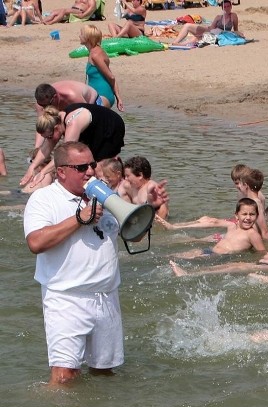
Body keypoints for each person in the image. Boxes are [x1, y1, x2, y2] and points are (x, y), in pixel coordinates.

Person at [21, 142, 165, 386]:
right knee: (65, 377)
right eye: (81, 167)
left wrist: (149, 209)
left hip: (106, 297)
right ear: (62, 171)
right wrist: (80, 218)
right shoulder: (44, 199)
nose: (90, 171)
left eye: (91, 164)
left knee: (105, 374)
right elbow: (36, 242)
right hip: (66, 299)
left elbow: (135, 234)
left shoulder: (106, 197)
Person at [170, 201, 268, 276]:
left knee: (236, 267)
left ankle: (190, 274)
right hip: (263, 265)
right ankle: (193, 271)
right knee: (235, 264)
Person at [21, 103, 125, 189]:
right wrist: (32, 167)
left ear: (57, 127)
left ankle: (115, 188)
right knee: (86, 163)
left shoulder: (72, 123)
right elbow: (46, 148)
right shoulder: (55, 122)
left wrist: (43, 172)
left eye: (49, 136)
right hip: (91, 130)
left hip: (110, 126)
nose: (49, 139)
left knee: (98, 166)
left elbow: (65, 156)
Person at [161, 198, 266, 258]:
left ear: (257, 215)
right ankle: (165, 257)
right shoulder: (232, 226)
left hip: (221, 257)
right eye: (244, 214)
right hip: (210, 250)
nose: (248, 217)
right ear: (236, 215)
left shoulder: (252, 234)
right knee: (175, 256)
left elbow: (261, 253)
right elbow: (213, 221)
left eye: (252, 214)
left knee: (191, 259)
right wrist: (175, 226)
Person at [80, 25, 124, 112]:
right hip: (97, 94)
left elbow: (111, 77)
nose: (79, 36)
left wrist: (118, 98)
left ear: (88, 37)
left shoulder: (95, 54)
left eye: (81, 34)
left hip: (102, 95)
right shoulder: (95, 51)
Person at [171, 0, 243, 45]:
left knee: (197, 38)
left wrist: (239, 33)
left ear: (231, 7)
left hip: (219, 35)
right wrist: (205, 33)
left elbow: (235, 29)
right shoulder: (219, 17)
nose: (227, 8)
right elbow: (211, 28)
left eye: (228, 6)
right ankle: (176, 42)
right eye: (225, 7)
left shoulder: (233, 16)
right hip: (210, 31)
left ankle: (180, 44)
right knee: (187, 25)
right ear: (222, 8)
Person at [123, 156, 169, 220]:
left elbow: (163, 209)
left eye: (127, 176)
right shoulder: (132, 187)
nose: (125, 179)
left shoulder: (151, 187)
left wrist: (157, 227)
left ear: (140, 175)